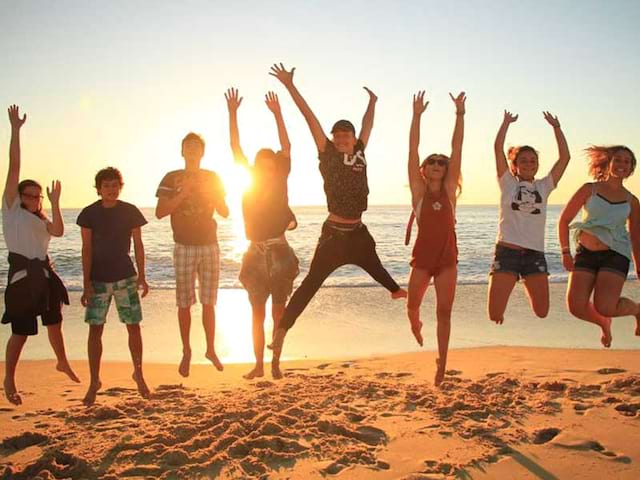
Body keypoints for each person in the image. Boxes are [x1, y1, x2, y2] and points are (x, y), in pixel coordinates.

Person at [268, 63, 407, 358]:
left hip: (357, 232)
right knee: (310, 284)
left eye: (347, 135)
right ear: (332, 139)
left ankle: (396, 291)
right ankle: (281, 331)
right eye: (337, 135)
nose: (342, 139)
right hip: (334, 234)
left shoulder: (360, 151)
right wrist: (290, 86)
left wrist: (372, 103)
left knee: (376, 267)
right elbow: (309, 118)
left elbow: (368, 125)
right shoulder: (327, 154)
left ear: (354, 139)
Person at [2, 105, 79, 405]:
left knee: (54, 323)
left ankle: (61, 361)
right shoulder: (11, 213)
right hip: (22, 279)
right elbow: (14, 167)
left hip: (44, 277)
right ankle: (9, 378)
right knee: (21, 333)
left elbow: (58, 231)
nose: (34, 199)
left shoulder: (40, 220)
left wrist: (56, 202)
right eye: (29, 195)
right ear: (18, 196)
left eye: (38, 196)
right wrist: (16, 130)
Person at [225, 88, 299, 380]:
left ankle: (275, 363)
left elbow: (287, 146)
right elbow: (235, 148)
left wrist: (278, 114)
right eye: (262, 160)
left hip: (279, 251)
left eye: (271, 160)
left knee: (278, 312)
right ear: (256, 164)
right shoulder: (249, 180)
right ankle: (258, 364)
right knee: (257, 313)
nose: (267, 163)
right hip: (254, 253)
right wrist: (232, 113)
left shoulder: (281, 178)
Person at [155, 132, 229, 377]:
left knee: (210, 301)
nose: (193, 149)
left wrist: (214, 196)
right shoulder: (171, 177)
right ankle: (186, 350)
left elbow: (225, 211)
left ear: (202, 152)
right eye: (188, 146)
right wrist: (183, 193)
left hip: (210, 244)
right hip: (184, 245)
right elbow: (160, 212)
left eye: (197, 146)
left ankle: (210, 349)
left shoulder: (213, 177)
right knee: (184, 302)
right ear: (182, 151)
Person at [405, 91, 465, 386]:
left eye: (442, 163)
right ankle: (416, 325)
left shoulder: (450, 190)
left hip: (447, 260)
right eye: (433, 163)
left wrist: (460, 114)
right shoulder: (419, 193)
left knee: (444, 312)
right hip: (422, 259)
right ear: (424, 170)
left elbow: (458, 146)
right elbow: (412, 149)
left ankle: (442, 362)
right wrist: (416, 115)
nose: (438, 166)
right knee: (412, 305)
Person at [488, 110, 570, 324]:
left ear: (537, 164)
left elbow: (565, 158)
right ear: (514, 166)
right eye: (523, 160)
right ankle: (511, 277)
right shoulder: (507, 183)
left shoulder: (544, 186)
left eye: (532, 160)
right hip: (507, 252)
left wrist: (556, 128)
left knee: (542, 312)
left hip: (534, 255)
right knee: (495, 315)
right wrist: (505, 122)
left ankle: (523, 279)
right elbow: (497, 148)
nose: (528, 163)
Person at [77, 167, 150, 405]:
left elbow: (138, 245)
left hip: (125, 277)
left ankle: (138, 373)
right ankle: (94, 381)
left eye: (115, 185)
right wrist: (86, 283)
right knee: (95, 330)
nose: (111, 189)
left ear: (120, 187)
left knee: (133, 327)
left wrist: (142, 276)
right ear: (99, 189)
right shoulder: (89, 213)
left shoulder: (130, 211)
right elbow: (86, 249)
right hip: (98, 280)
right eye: (106, 185)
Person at [559, 146, 640, 347]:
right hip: (585, 253)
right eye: (618, 160)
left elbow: (636, 236)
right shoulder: (589, 189)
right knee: (576, 307)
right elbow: (564, 220)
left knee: (605, 306)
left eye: (627, 162)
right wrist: (565, 252)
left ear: (631, 169)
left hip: (615, 255)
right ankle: (604, 324)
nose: (622, 164)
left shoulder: (632, 201)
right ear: (609, 163)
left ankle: (637, 310)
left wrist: (639, 266)